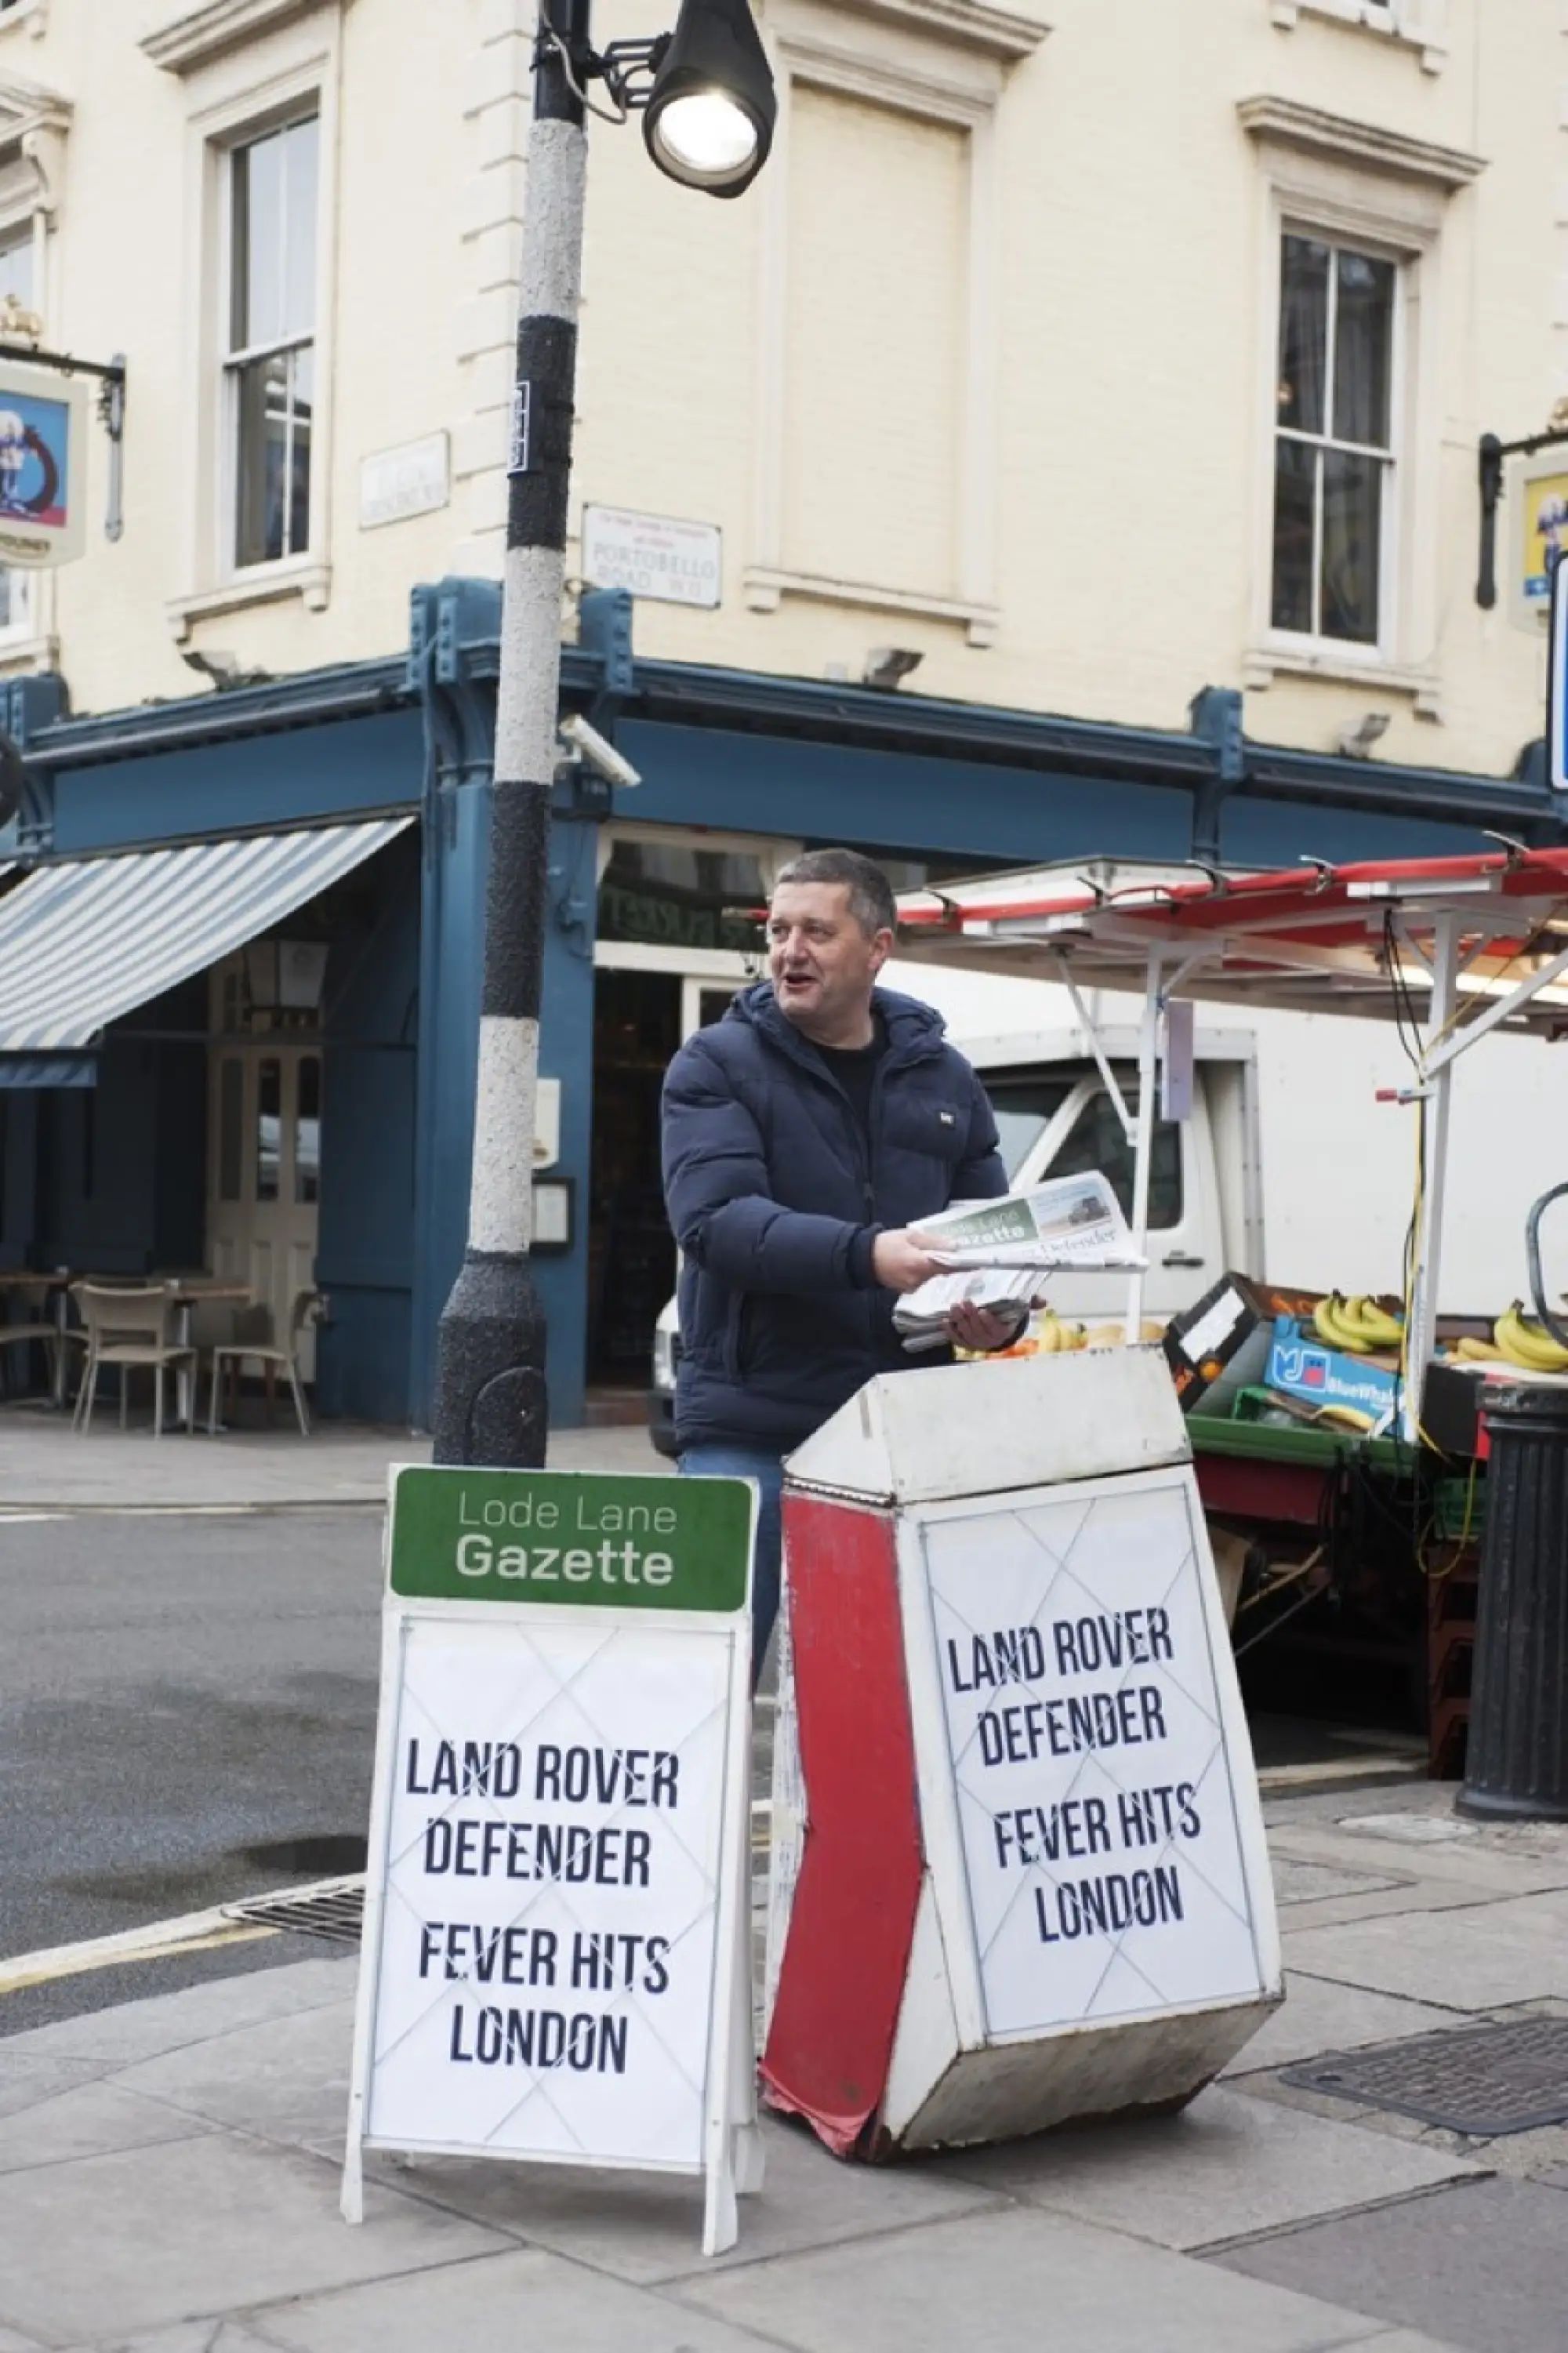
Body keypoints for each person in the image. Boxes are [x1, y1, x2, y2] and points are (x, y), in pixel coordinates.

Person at [661, 847, 1020, 1684]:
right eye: (779, 930)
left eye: (816, 931)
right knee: (701, 1691)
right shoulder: (714, 1064)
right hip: (752, 1432)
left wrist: (998, 1316)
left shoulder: (944, 1078)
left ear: (877, 948)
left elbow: (990, 1238)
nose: (789, 950)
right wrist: (869, 1254)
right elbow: (716, 1224)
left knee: (877, 1697)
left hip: (896, 1439)